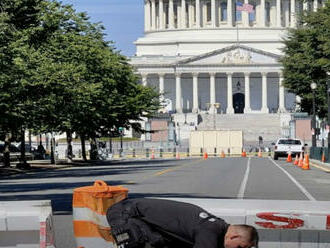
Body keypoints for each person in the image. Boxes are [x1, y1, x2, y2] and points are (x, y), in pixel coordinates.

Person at [107, 198, 259, 248]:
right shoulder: (210, 230)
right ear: (234, 237)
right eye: (240, 247)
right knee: (149, 243)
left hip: (134, 214)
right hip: (125, 214)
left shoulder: (216, 227)